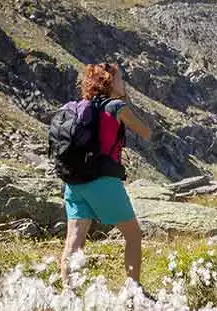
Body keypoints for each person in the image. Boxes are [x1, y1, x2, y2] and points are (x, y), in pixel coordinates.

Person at [59, 63, 152, 286]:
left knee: (74, 238)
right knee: (133, 235)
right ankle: (133, 290)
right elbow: (146, 132)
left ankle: (67, 292)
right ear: (109, 82)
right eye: (120, 79)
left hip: (74, 180)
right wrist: (125, 104)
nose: (123, 84)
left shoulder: (77, 107)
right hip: (103, 180)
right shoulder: (116, 107)